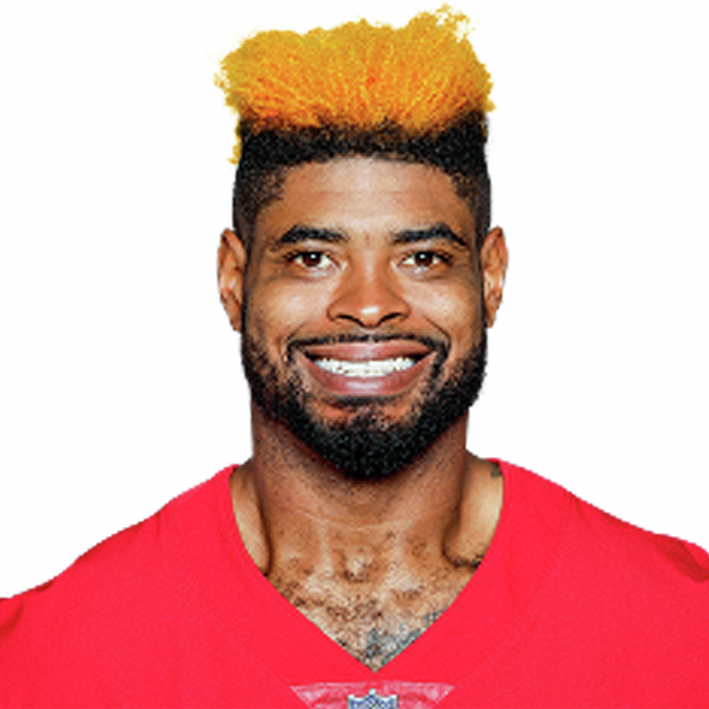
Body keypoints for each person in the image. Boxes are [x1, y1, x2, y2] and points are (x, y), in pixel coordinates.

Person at [1, 8, 708, 708]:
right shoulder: (45, 659)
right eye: (312, 257)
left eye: (422, 257)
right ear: (233, 280)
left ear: (490, 278)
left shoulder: (682, 628)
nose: (369, 306)